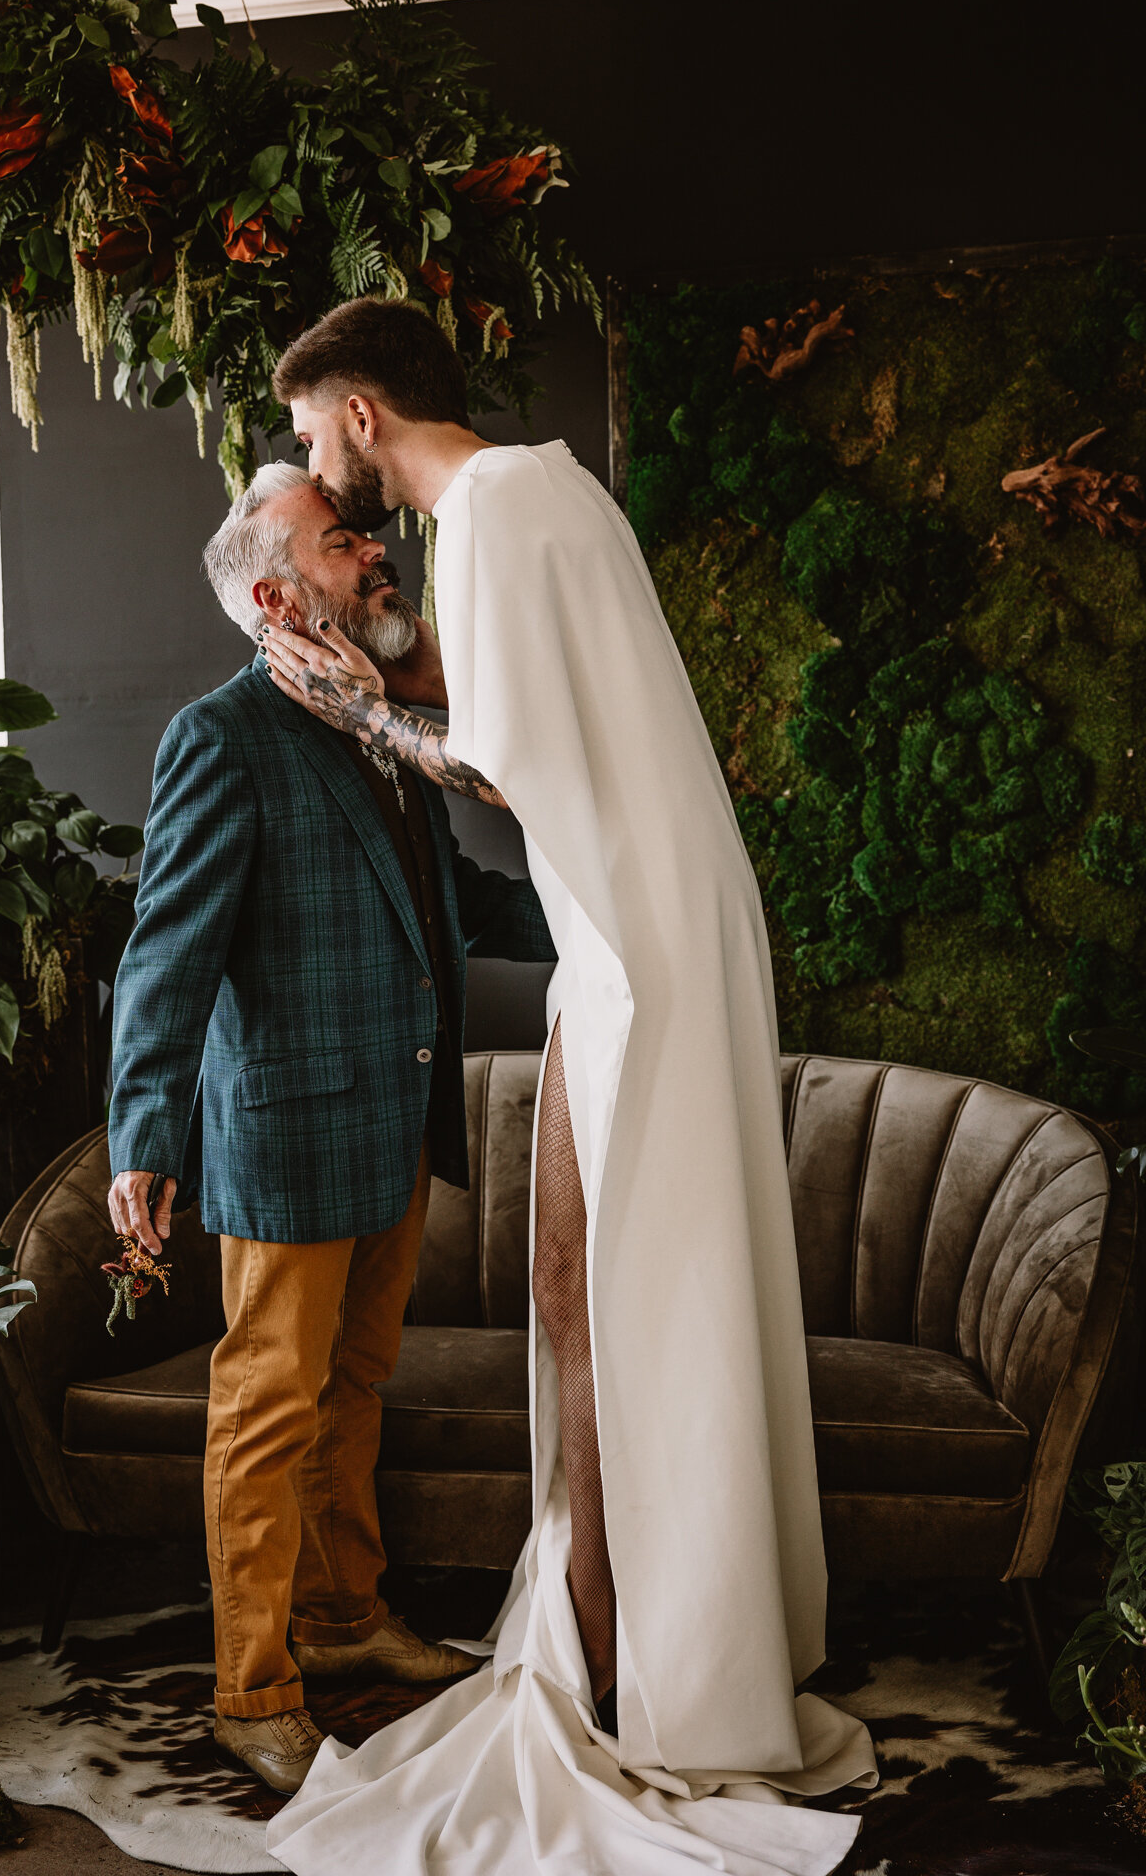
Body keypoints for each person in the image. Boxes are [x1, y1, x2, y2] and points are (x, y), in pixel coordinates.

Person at [257, 299, 878, 1876]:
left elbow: (499, 765)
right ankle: (625, 1636)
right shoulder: (543, 489)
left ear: (362, 410)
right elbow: (501, 694)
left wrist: (338, 700)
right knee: (583, 1290)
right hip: (642, 931)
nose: (322, 474)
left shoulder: (496, 512)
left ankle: (644, 1670)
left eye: (317, 433)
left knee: (616, 1296)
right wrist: (380, 658)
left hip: (640, 951)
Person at [105, 461, 555, 1795]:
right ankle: (254, 1690)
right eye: (340, 537)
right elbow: (164, 952)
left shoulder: (372, 718)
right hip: (288, 1138)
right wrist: (144, 1132)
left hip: (397, 1124)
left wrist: (603, 919)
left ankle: (346, 1616)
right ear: (272, 591)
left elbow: (457, 899)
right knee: (264, 1413)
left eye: (363, 531)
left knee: (352, 1393)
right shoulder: (223, 737)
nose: (374, 552)